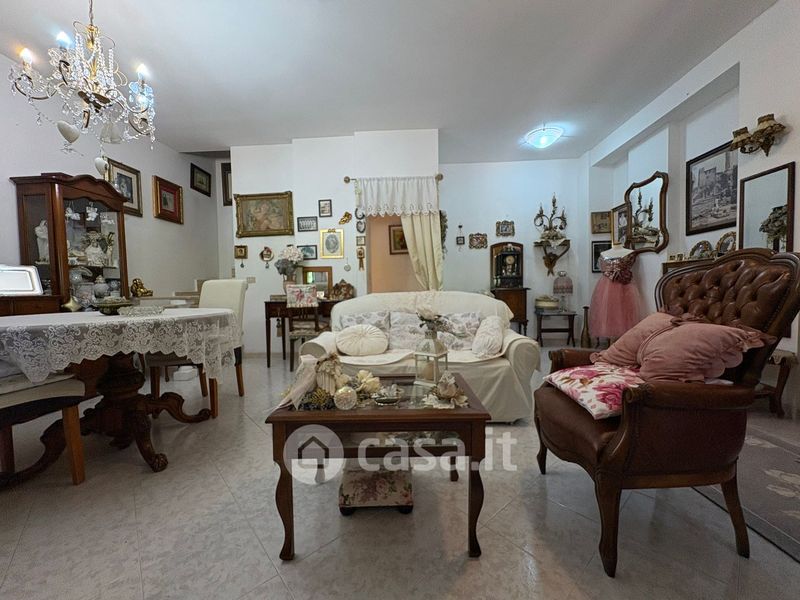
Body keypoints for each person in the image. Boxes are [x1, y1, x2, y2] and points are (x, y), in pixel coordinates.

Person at [589, 243, 641, 340]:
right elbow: (603, 268)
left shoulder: (630, 253)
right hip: (606, 286)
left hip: (625, 286)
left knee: (625, 311)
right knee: (609, 311)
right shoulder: (604, 253)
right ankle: (612, 340)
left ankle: (623, 342)